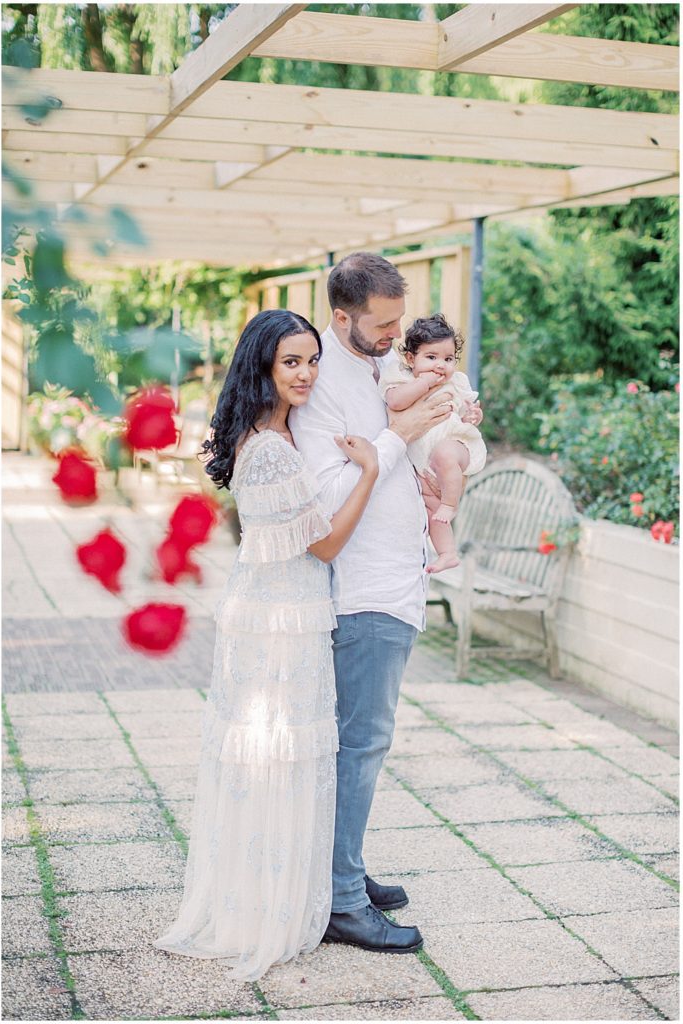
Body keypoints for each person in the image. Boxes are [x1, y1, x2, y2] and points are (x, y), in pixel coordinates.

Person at [155, 309, 379, 981]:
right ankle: (268, 908)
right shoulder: (272, 447)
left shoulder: (282, 432)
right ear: (262, 367)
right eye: (291, 362)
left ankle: (281, 893)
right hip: (279, 625)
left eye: (312, 359)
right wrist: (367, 470)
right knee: (275, 756)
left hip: (281, 611)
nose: (306, 373)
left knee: (279, 758)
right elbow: (327, 542)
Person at [290, 252, 480, 954]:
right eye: (383, 324)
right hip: (363, 589)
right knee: (360, 743)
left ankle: (347, 869)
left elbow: (431, 448)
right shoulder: (323, 385)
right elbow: (329, 494)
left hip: (399, 576)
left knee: (364, 741)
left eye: (401, 321)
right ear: (342, 316)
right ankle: (340, 901)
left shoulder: (378, 366)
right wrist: (396, 439)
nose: (395, 334)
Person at [378, 314, 486, 573]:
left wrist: (473, 416)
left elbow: (466, 411)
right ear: (410, 359)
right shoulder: (400, 378)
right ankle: (447, 552)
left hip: (456, 443)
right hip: (423, 460)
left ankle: (451, 504)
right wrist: (423, 382)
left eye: (448, 359)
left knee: (445, 454)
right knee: (429, 505)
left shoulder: (455, 382)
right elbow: (395, 402)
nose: (441, 366)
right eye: (431, 357)